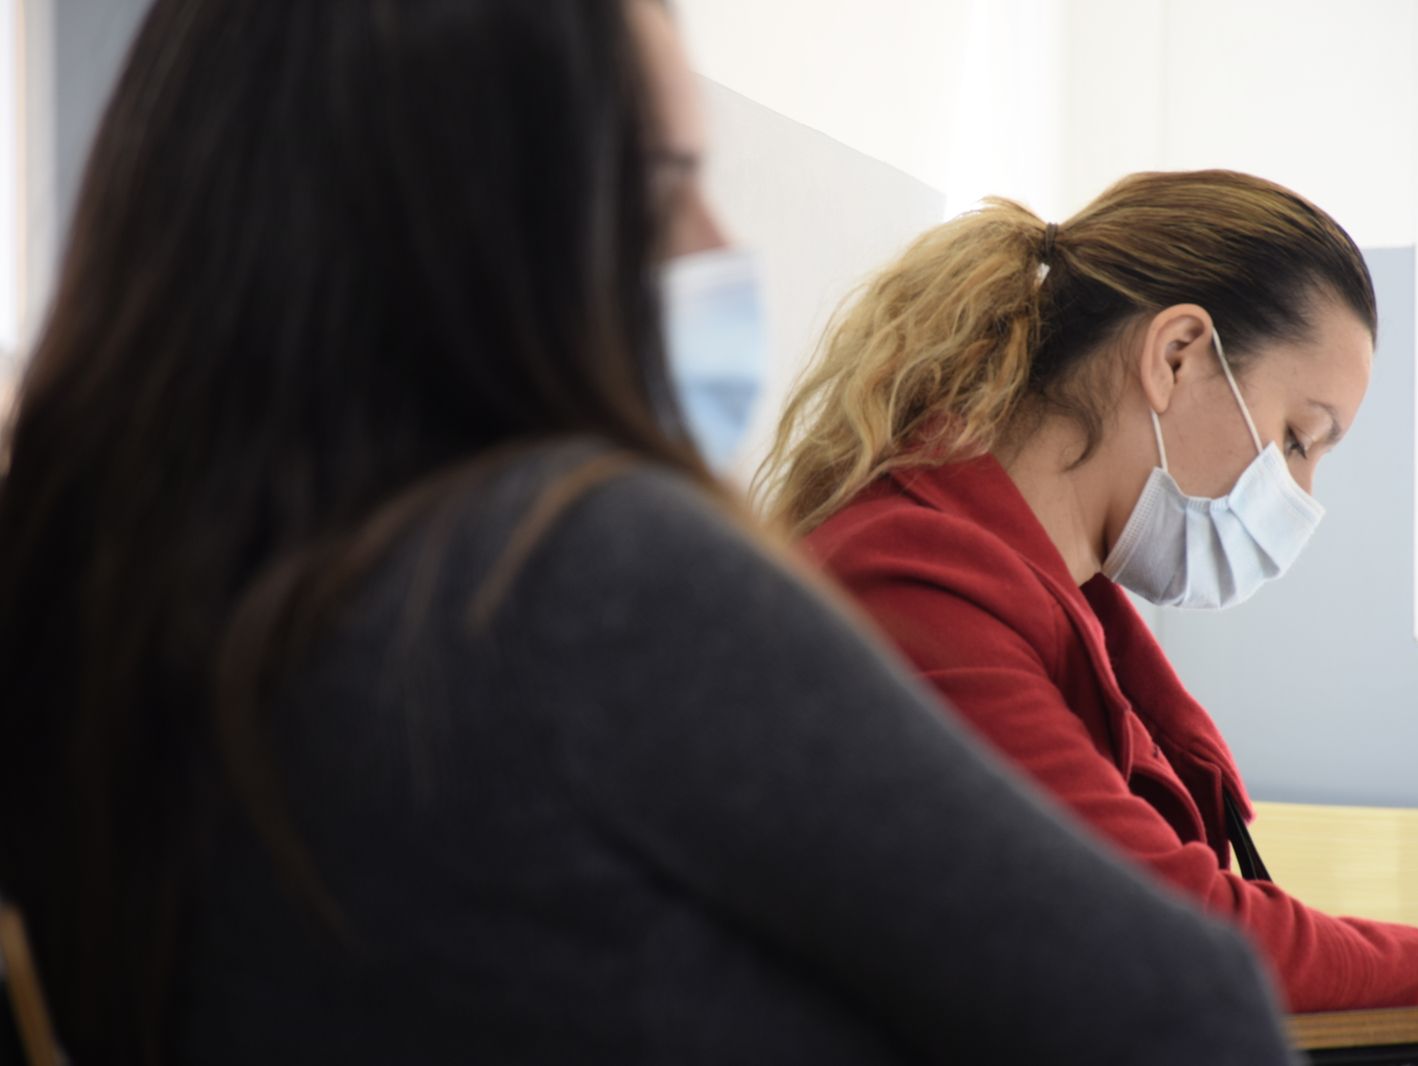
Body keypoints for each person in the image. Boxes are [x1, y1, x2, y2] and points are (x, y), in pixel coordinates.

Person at [0, 2, 1299, 1063]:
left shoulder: (96, 588)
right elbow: (1186, 1012)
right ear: (479, 218)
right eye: (668, 183)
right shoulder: (580, 573)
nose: (721, 243)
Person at [760, 179, 1418, 1013]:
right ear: (1176, 356)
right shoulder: (911, 580)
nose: (1300, 491)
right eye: (1298, 438)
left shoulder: (1058, 603)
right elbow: (1157, 930)